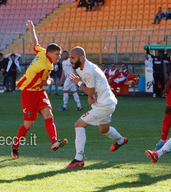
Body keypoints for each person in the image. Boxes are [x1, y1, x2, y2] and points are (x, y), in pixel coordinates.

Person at [11, 20, 68, 160]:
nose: (59, 57)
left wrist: (32, 30)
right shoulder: (44, 66)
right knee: (28, 124)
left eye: (59, 54)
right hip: (29, 93)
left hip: (38, 92)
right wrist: (50, 80)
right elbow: (44, 82)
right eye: (57, 54)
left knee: (49, 114)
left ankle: (54, 141)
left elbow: (35, 44)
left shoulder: (43, 53)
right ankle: (15, 146)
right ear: (50, 53)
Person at [65, 47, 128, 168]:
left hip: (104, 104)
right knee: (104, 129)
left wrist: (79, 83)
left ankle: (78, 159)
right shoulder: (79, 67)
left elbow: (89, 90)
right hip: (105, 102)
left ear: (81, 57)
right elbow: (90, 89)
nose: (70, 61)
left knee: (79, 124)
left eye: (73, 58)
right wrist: (91, 95)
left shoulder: (89, 70)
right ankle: (121, 140)